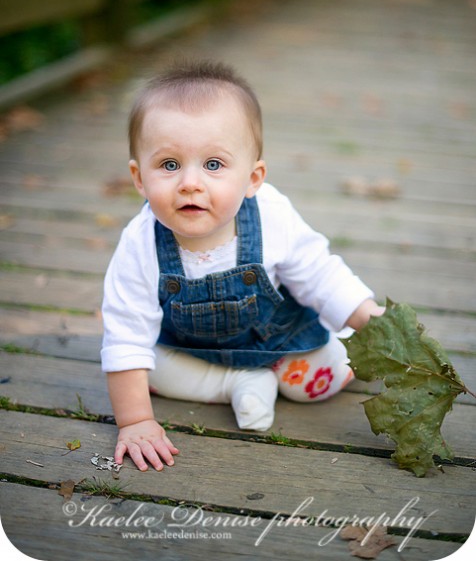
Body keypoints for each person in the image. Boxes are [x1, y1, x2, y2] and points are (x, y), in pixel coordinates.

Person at [101, 59, 384, 473]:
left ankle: (276, 371)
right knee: (138, 369)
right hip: (193, 351)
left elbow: (319, 275)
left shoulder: (271, 214)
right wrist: (136, 421)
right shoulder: (140, 242)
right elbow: (126, 332)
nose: (190, 183)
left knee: (327, 375)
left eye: (213, 165)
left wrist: (370, 321)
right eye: (169, 165)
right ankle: (235, 384)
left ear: (254, 178)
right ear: (139, 178)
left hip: (280, 337)